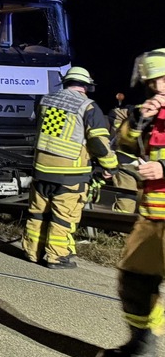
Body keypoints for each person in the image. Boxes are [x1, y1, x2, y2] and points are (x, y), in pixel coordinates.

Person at [101, 49, 165, 357]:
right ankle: (141, 346)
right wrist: (139, 121)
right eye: (153, 82)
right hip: (152, 215)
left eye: (163, 79)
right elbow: (124, 144)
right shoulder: (147, 109)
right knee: (135, 281)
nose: (158, 87)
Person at [21, 66, 117, 269]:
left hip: (41, 170)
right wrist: (110, 166)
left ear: (65, 82)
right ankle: (57, 256)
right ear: (87, 86)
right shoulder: (87, 106)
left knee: (38, 213)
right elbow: (98, 142)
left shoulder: (45, 100)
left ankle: (32, 252)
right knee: (63, 217)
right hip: (70, 174)